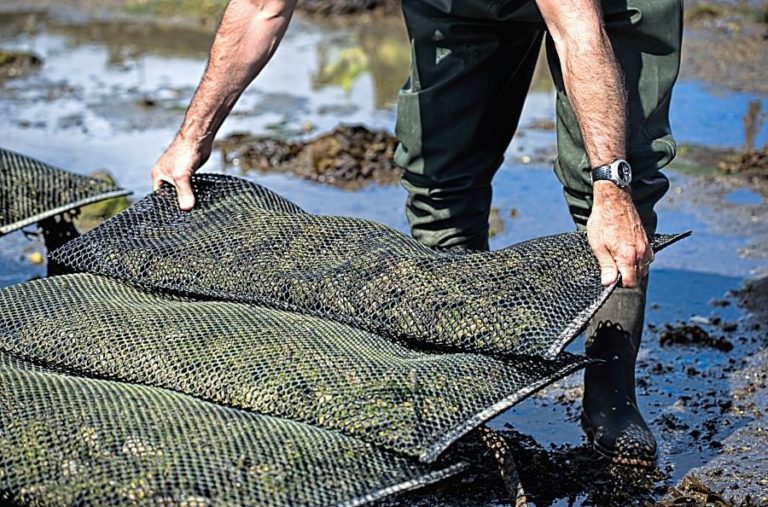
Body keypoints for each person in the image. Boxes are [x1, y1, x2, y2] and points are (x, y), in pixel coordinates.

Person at [150, 0, 682, 466]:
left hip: (604, 9)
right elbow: (260, 8)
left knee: (619, 179)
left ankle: (612, 393)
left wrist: (611, 186)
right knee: (439, 174)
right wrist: (191, 137)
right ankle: (463, 374)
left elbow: (578, 30)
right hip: (460, 7)